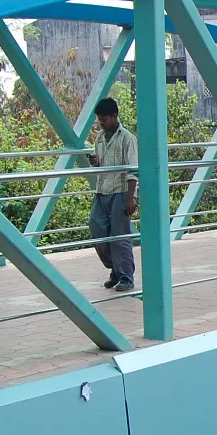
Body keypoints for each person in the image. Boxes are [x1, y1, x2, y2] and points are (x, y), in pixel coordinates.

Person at [86, 97, 139, 292]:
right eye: (99, 119)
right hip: (102, 190)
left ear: (114, 116)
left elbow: (133, 169)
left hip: (120, 191)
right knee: (97, 229)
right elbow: (102, 162)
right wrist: (96, 163)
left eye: (104, 119)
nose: (101, 123)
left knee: (120, 236)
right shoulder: (100, 138)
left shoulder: (127, 138)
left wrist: (130, 197)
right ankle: (115, 268)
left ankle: (126, 276)